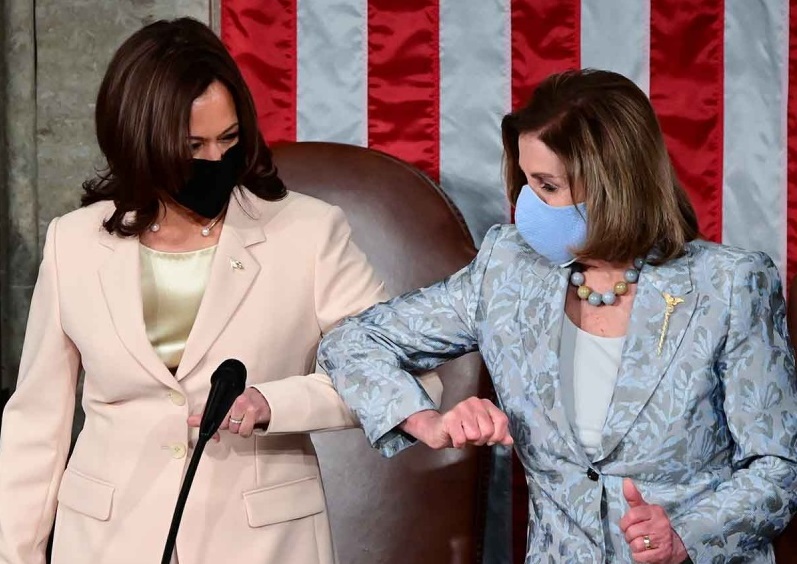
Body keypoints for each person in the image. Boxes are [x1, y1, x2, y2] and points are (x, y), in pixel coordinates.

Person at [0, 17, 439, 564]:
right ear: (140, 142)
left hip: (262, 544)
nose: (214, 161)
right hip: (105, 543)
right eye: (192, 146)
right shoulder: (74, 243)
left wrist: (274, 403)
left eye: (228, 139)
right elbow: (36, 421)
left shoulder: (308, 232)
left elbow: (410, 378)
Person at [318, 69, 797, 563]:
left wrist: (686, 533)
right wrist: (425, 420)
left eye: (547, 185)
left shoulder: (731, 284)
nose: (527, 204)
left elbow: (778, 466)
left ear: (616, 185)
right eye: (526, 181)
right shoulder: (508, 271)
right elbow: (353, 342)